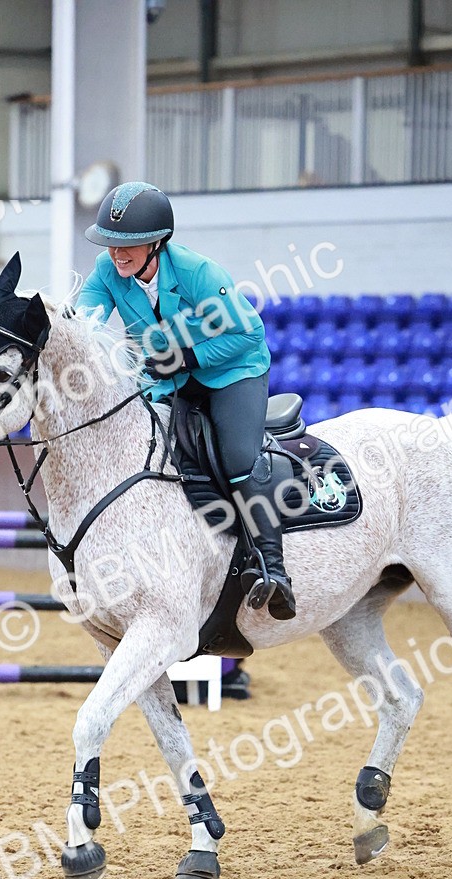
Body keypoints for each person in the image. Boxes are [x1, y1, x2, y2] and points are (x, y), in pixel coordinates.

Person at [75, 181, 296, 621]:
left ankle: (273, 568)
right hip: (168, 381)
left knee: (237, 457)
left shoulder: (199, 274)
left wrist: (186, 356)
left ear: (156, 242)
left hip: (230, 372)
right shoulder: (106, 271)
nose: (117, 253)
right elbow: (86, 323)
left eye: (128, 244)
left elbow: (247, 335)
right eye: (111, 243)